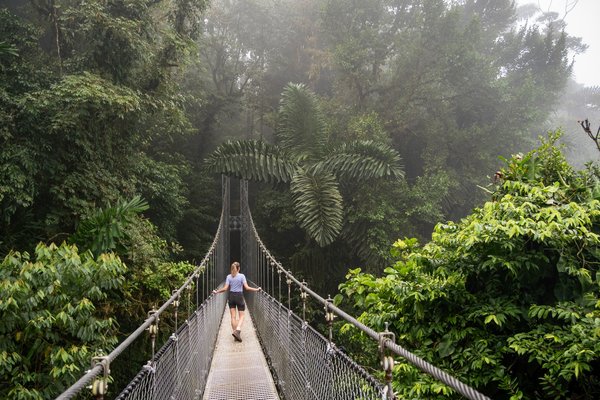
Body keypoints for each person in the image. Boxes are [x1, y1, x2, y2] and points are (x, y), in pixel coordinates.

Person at [212, 261, 260, 342]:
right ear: (239, 268)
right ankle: (238, 330)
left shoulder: (228, 277)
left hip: (231, 296)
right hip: (239, 296)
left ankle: (235, 334)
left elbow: (225, 289)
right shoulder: (242, 276)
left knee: (233, 317)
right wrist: (257, 289)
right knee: (242, 316)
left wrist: (216, 292)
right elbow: (247, 288)